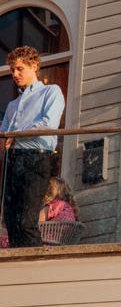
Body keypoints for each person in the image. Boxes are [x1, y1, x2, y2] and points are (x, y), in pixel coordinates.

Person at [0, 46, 65, 247]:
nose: (15, 74)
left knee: (26, 220)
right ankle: (17, 262)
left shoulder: (50, 91)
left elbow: (49, 123)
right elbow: (3, 134)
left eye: (19, 69)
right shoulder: (12, 105)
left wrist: (16, 135)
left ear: (34, 66)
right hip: (12, 160)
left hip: (36, 157)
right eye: (12, 70)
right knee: (11, 221)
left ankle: (34, 261)